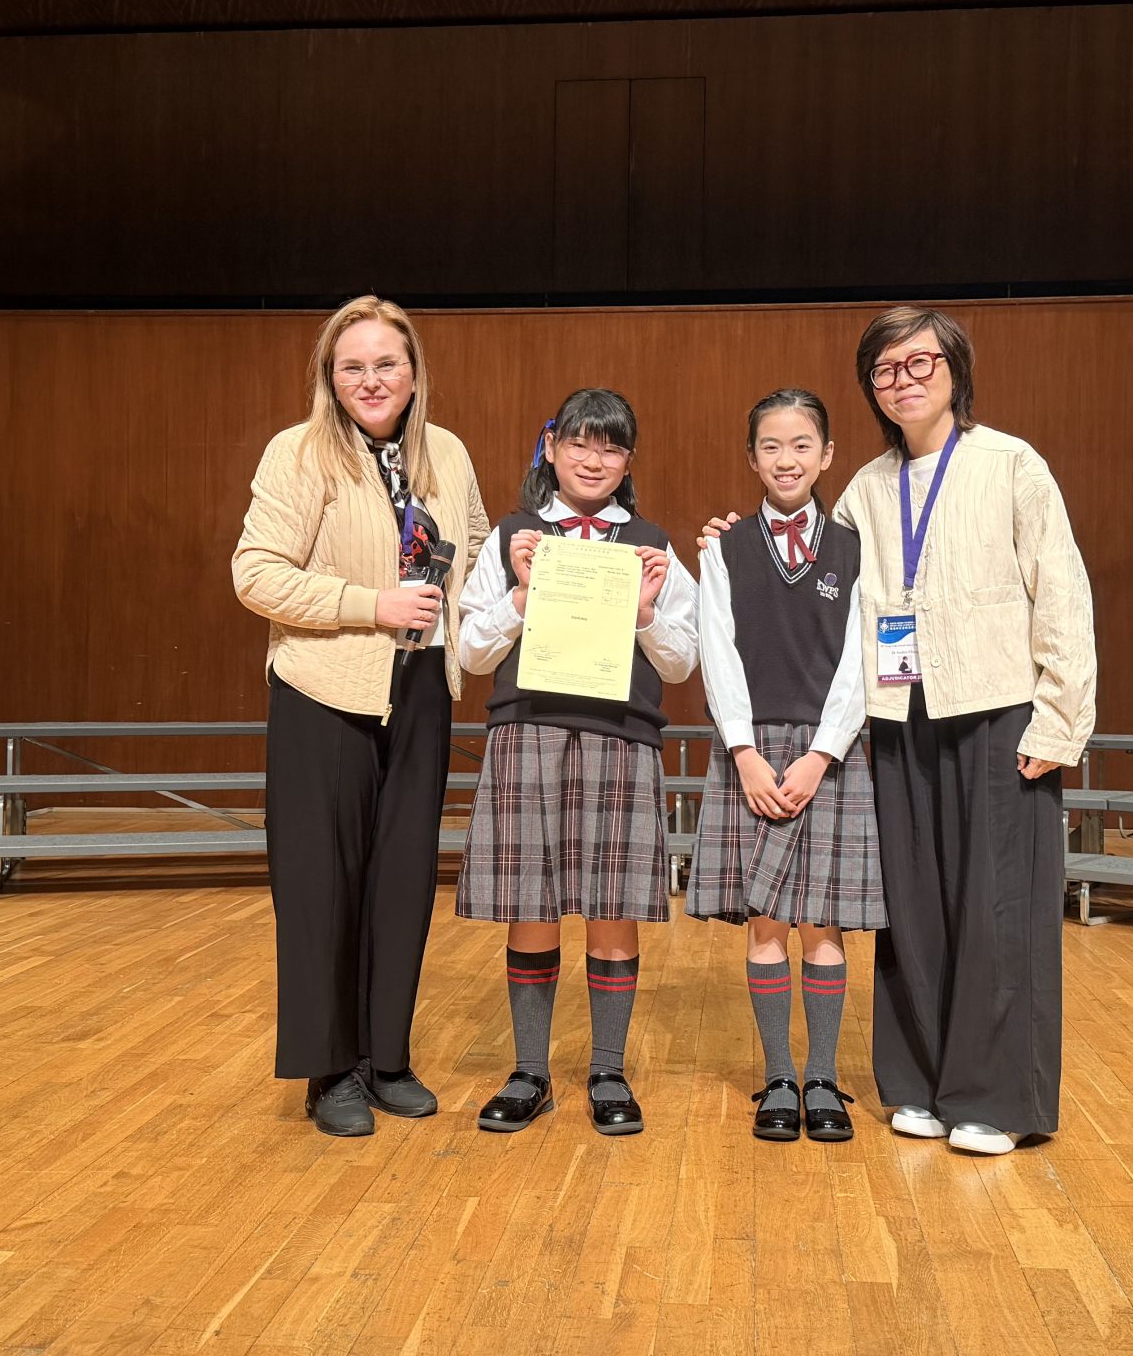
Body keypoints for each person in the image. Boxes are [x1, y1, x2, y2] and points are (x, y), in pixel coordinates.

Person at [836, 306, 1095, 1156]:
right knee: (910, 906)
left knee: (998, 908)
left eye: (921, 363)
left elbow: (1061, 592)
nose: (903, 380)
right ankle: (918, 1083)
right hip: (899, 714)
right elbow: (823, 589)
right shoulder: (865, 489)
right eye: (886, 369)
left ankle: (996, 1099)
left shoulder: (1011, 464)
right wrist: (740, 547)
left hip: (999, 711)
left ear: (955, 371)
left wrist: (1059, 718)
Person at [232, 295, 491, 1138]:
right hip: (324, 692)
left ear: (414, 373)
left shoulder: (448, 453)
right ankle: (330, 1071)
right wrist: (369, 604)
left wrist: (520, 566)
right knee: (321, 887)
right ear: (330, 377)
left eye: (386, 364)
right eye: (353, 366)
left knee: (403, 882)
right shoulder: (299, 452)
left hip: (421, 690)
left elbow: (476, 552)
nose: (371, 380)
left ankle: (386, 1058)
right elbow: (255, 573)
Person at [454, 388, 700, 1136]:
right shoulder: (512, 537)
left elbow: (682, 663)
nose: (594, 460)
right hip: (526, 733)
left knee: (612, 911)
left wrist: (646, 614)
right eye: (580, 444)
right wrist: (521, 596)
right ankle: (529, 1071)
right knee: (530, 908)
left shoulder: (653, 547)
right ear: (552, 448)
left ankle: (608, 1070)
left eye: (611, 447)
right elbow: (470, 653)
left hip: (620, 737)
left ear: (628, 460)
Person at [687, 389, 883, 1143]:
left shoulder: (856, 550)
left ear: (827, 455)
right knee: (765, 923)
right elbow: (717, 652)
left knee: (823, 926)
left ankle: (823, 1077)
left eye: (802, 445)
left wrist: (823, 753)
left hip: (831, 753)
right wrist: (742, 751)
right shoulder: (722, 548)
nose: (786, 459)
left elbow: (861, 661)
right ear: (751, 458)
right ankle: (777, 1075)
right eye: (771, 446)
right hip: (752, 752)